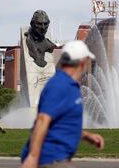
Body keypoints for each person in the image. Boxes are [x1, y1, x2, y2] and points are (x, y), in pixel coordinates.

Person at [20, 40, 105, 168]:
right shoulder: (59, 85)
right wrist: (32, 158)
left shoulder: (69, 85)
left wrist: (87, 136)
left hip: (58, 158)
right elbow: (42, 121)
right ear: (82, 63)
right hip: (49, 159)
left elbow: (61, 125)